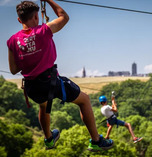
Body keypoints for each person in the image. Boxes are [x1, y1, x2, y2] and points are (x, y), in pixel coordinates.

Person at [7, 0, 113, 151]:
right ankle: (96, 141)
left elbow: (13, 69)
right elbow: (64, 16)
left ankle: (49, 139)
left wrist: (28, 55)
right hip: (50, 82)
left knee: (43, 107)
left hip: (32, 87)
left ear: (19, 20)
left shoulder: (12, 41)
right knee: (84, 100)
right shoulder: (44, 30)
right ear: (37, 17)